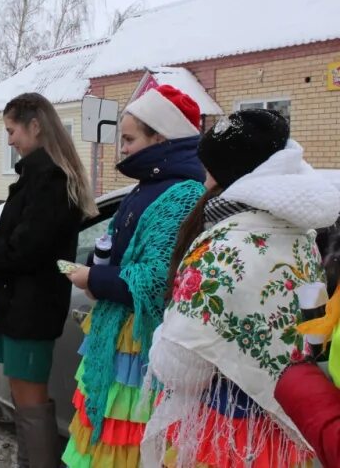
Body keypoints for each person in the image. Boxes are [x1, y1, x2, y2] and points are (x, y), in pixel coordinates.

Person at [142, 109, 340, 467]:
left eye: (208, 170)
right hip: (289, 433)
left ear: (227, 174)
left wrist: (161, 338)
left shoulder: (220, 248)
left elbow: (179, 369)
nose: (202, 182)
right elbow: (313, 337)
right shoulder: (302, 238)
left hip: (226, 435)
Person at [0, 92, 98, 468]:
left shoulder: (50, 181)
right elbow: (19, 235)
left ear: (35, 126)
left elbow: (24, 252)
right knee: (22, 398)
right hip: (20, 307)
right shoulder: (36, 177)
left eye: (13, 131)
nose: (9, 139)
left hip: (32, 310)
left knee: (30, 403)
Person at [61, 85, 206, 467]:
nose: (121, 149)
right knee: (106, 444)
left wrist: (93, 278)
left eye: (129, 139)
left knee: (128, 448)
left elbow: (157, 280)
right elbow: (117, 246)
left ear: (160, 137)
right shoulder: (149, 186)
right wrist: (98, 260)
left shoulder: (181, 193)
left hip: (141, 346)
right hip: (119, 340)